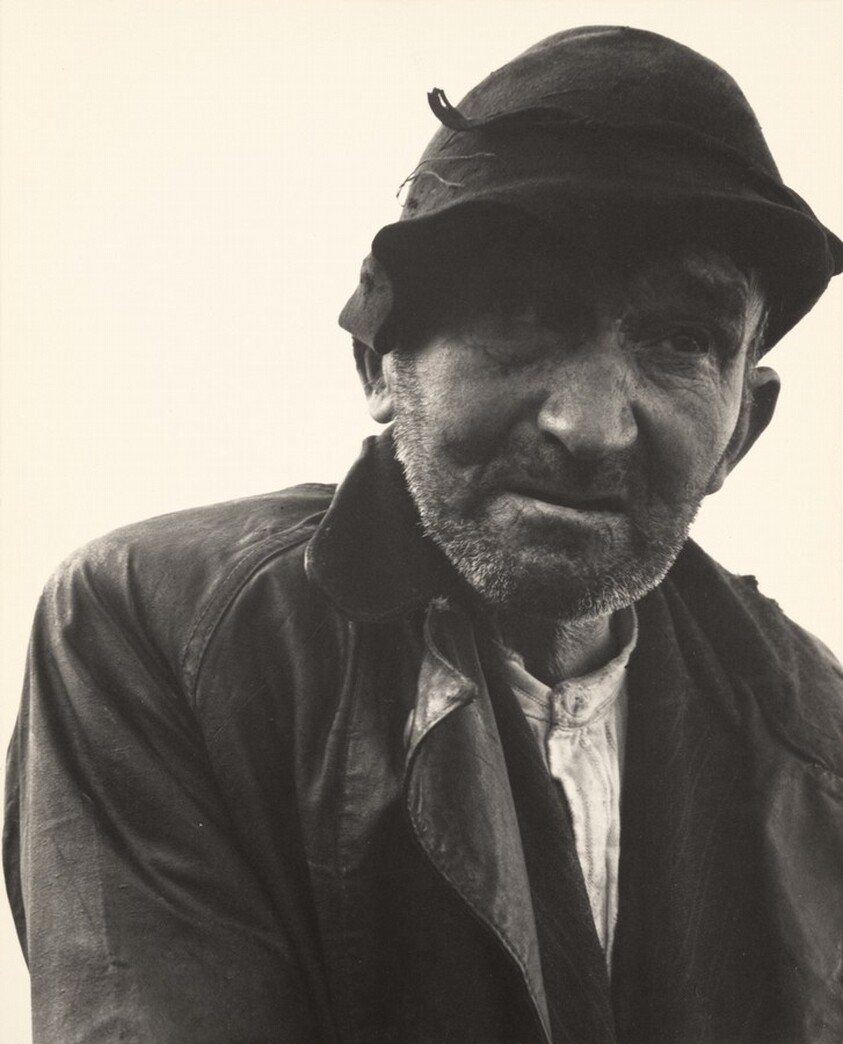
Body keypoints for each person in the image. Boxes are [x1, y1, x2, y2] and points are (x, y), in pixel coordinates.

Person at [4, 24, 842, 1044]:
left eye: (680, 341)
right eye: (523, 312)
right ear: (379, 367)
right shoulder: (164, 628)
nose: (590, 425)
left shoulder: (819, 736)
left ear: (738, 431)